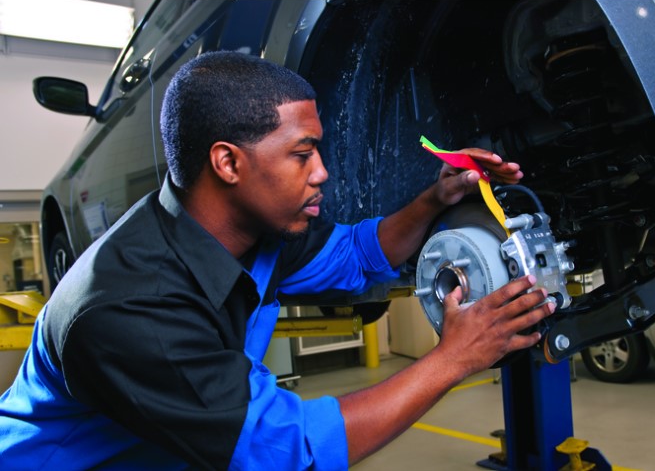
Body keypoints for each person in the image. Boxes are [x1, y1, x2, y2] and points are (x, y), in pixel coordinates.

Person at [0, 51, 554, 469]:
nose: (322, 172)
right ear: (228, 162)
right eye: (301, 153)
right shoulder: (129, 308)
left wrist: (436, 198)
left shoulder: (256, 232)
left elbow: (359, 254)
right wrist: (454, 359)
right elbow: (287, 451)